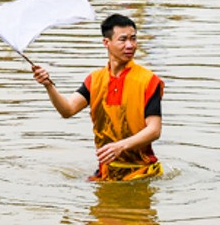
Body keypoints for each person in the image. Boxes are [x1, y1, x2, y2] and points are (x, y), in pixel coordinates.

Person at [31, 13, 164, 181]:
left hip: (141, 173)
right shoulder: (95, 80)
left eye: (133, 39)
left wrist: (121, 146)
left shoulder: (148, 80)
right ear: (106, 43)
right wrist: (48, 85)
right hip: (106, 171)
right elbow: (67, 110)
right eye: (123, 40)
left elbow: (154, 130)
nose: (130, 45)